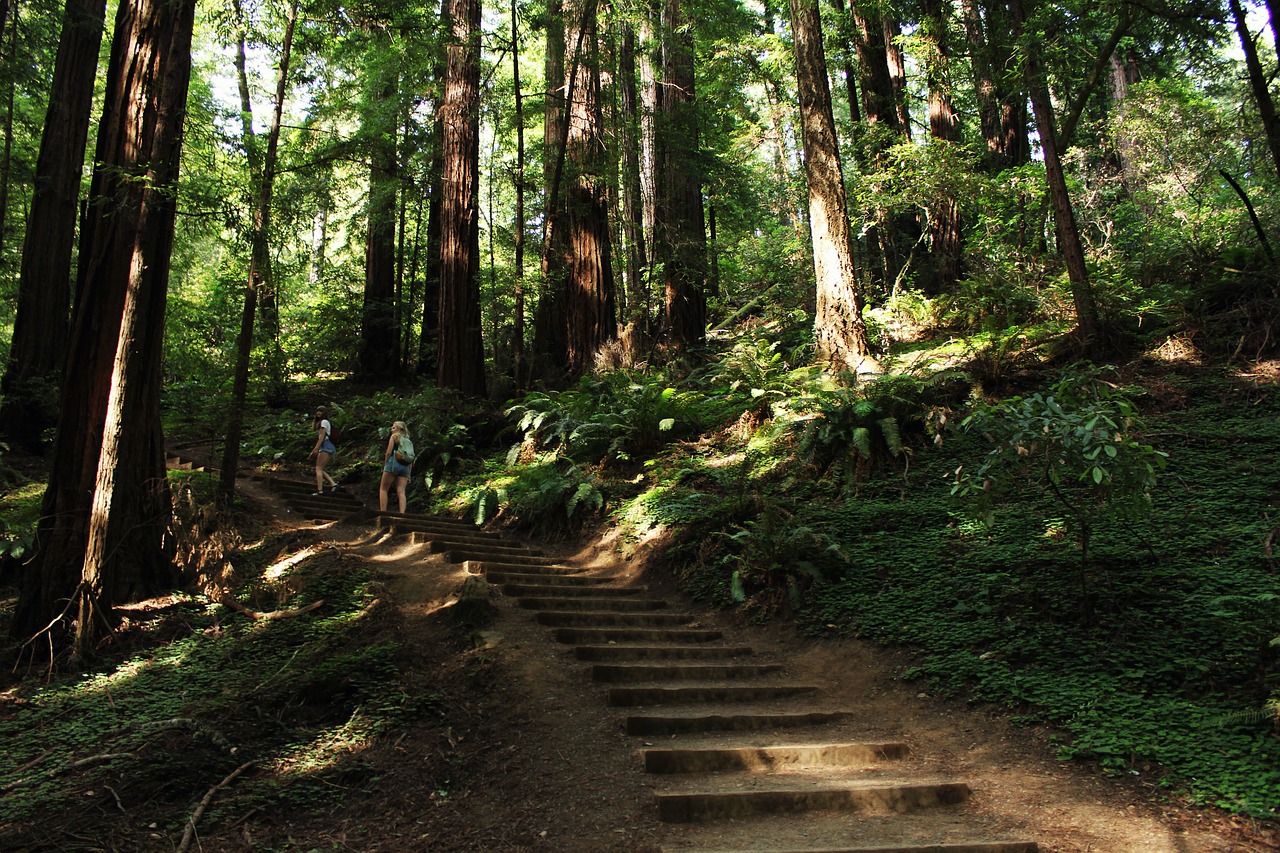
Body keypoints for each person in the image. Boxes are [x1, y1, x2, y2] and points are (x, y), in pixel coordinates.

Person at [379, 420, 412, 513]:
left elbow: (388, 452)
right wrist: (409, 474)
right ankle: (402, 513)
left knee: (383, 489)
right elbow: (410, 459)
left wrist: (386, 464)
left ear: (400, 429)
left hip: (393, 464)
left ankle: (383, 512)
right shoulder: (408, 441)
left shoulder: (394, 437)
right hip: (405, 467)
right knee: (401, 492)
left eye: (393, 428)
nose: (391, 429)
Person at [309, 406, 338, 495]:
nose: (318, 413)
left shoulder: (324, 422)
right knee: (320, 468)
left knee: (318, 468)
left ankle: (320, 490)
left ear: (324, 413)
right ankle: (333, 484)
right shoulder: (324, 422)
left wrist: (316, 448)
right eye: (317, 411)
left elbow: (322, 437)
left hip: (326, 445)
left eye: (321, 411)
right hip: (326, 446)